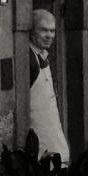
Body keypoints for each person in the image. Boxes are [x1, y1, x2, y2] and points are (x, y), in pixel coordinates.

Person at [29, 9, 70, 165]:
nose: (49, 35)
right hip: (40, 144)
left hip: (53, 139)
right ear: (32, 31)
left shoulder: (42, 55)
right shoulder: (29, 59)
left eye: (52, 31)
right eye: (44, 30)